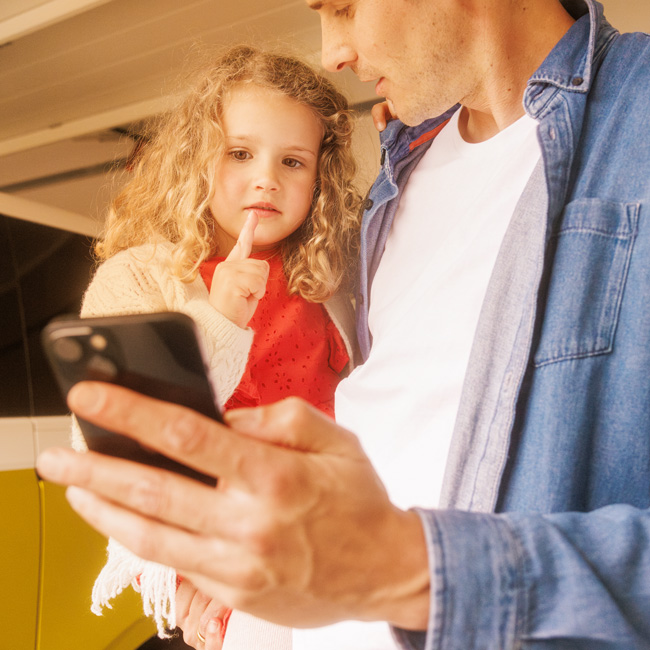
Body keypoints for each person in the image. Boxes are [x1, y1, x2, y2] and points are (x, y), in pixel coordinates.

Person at [36, 0, 650, 648]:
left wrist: (405, 571)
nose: (331, 52)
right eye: (240, 152)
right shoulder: (398, 185)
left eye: (345, 7)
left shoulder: (633, 127)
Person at [65, 44, 362, 648]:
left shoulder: (337, 275)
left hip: (333, 546)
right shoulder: (139, 277)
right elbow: (114, 446)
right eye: (240, 153)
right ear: (197, 159)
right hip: (215, 562)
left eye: (294, 162)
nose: (266, 179)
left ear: (320, 178)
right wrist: (221, 319)